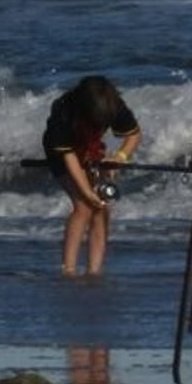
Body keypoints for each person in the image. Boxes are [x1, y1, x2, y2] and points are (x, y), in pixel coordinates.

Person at [42, 75, 141, 277]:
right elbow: (68, 155)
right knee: (84, 205)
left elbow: (134, 135)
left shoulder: (113, 104)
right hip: (61, 152)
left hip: (91, 148)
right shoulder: (64, 110)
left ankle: (94, 270)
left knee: (102, 206)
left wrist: (119, 157)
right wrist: (86, 191)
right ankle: (68, 269)